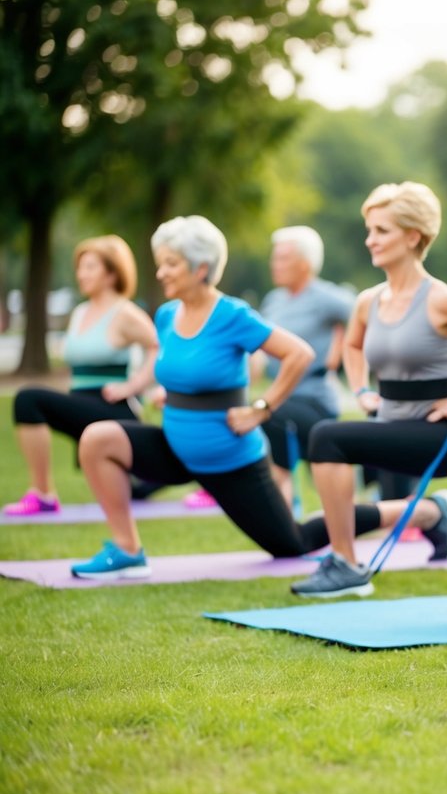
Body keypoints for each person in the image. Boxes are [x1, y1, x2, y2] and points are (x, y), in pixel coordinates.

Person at [69, 216, 416, 580]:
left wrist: (261, 409)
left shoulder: (231, 314)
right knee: (97, 439)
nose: (161, 273)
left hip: (229, 459)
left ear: (200, 267)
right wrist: (169, 393)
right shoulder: (167, 315)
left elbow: (298, 354)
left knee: (293, 541)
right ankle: (127, 550)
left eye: (171, 264)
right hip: (176, 447)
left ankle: (417, 511)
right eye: (161, 264)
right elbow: (184, 367)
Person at [289, 181, 447, 599]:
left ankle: (345, 564)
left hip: (441, 434)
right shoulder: (368, 302)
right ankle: (433, 513)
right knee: (311, 517)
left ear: (413, 237)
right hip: (391, 423)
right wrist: (360, 391)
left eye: (381, 230)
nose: (369, 240)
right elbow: (354, 346)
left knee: (327, 437)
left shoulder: (442, 299)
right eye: (370, 230)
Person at [5, 235, 160, 516]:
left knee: (28, 399)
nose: (81, 274)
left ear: (112, 273)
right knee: (130, 489)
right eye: (80, 267)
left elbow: (158, 347)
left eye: (90, 267)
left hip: (111, 406)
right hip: (83, 404)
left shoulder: (125, 313)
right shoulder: (80, 312)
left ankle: (42, 495)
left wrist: (134, 385)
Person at [253, 225, 356, 510]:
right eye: (274, 257)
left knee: (269, 413)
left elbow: (364, 315)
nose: (275, 264)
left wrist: (343, 347)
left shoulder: (326, 297)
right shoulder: (274, 300)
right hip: (281, 395)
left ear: (305, 264)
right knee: (268, 417)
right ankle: (284, 520)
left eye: (283, 258)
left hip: (314, 399)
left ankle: (349, 512)